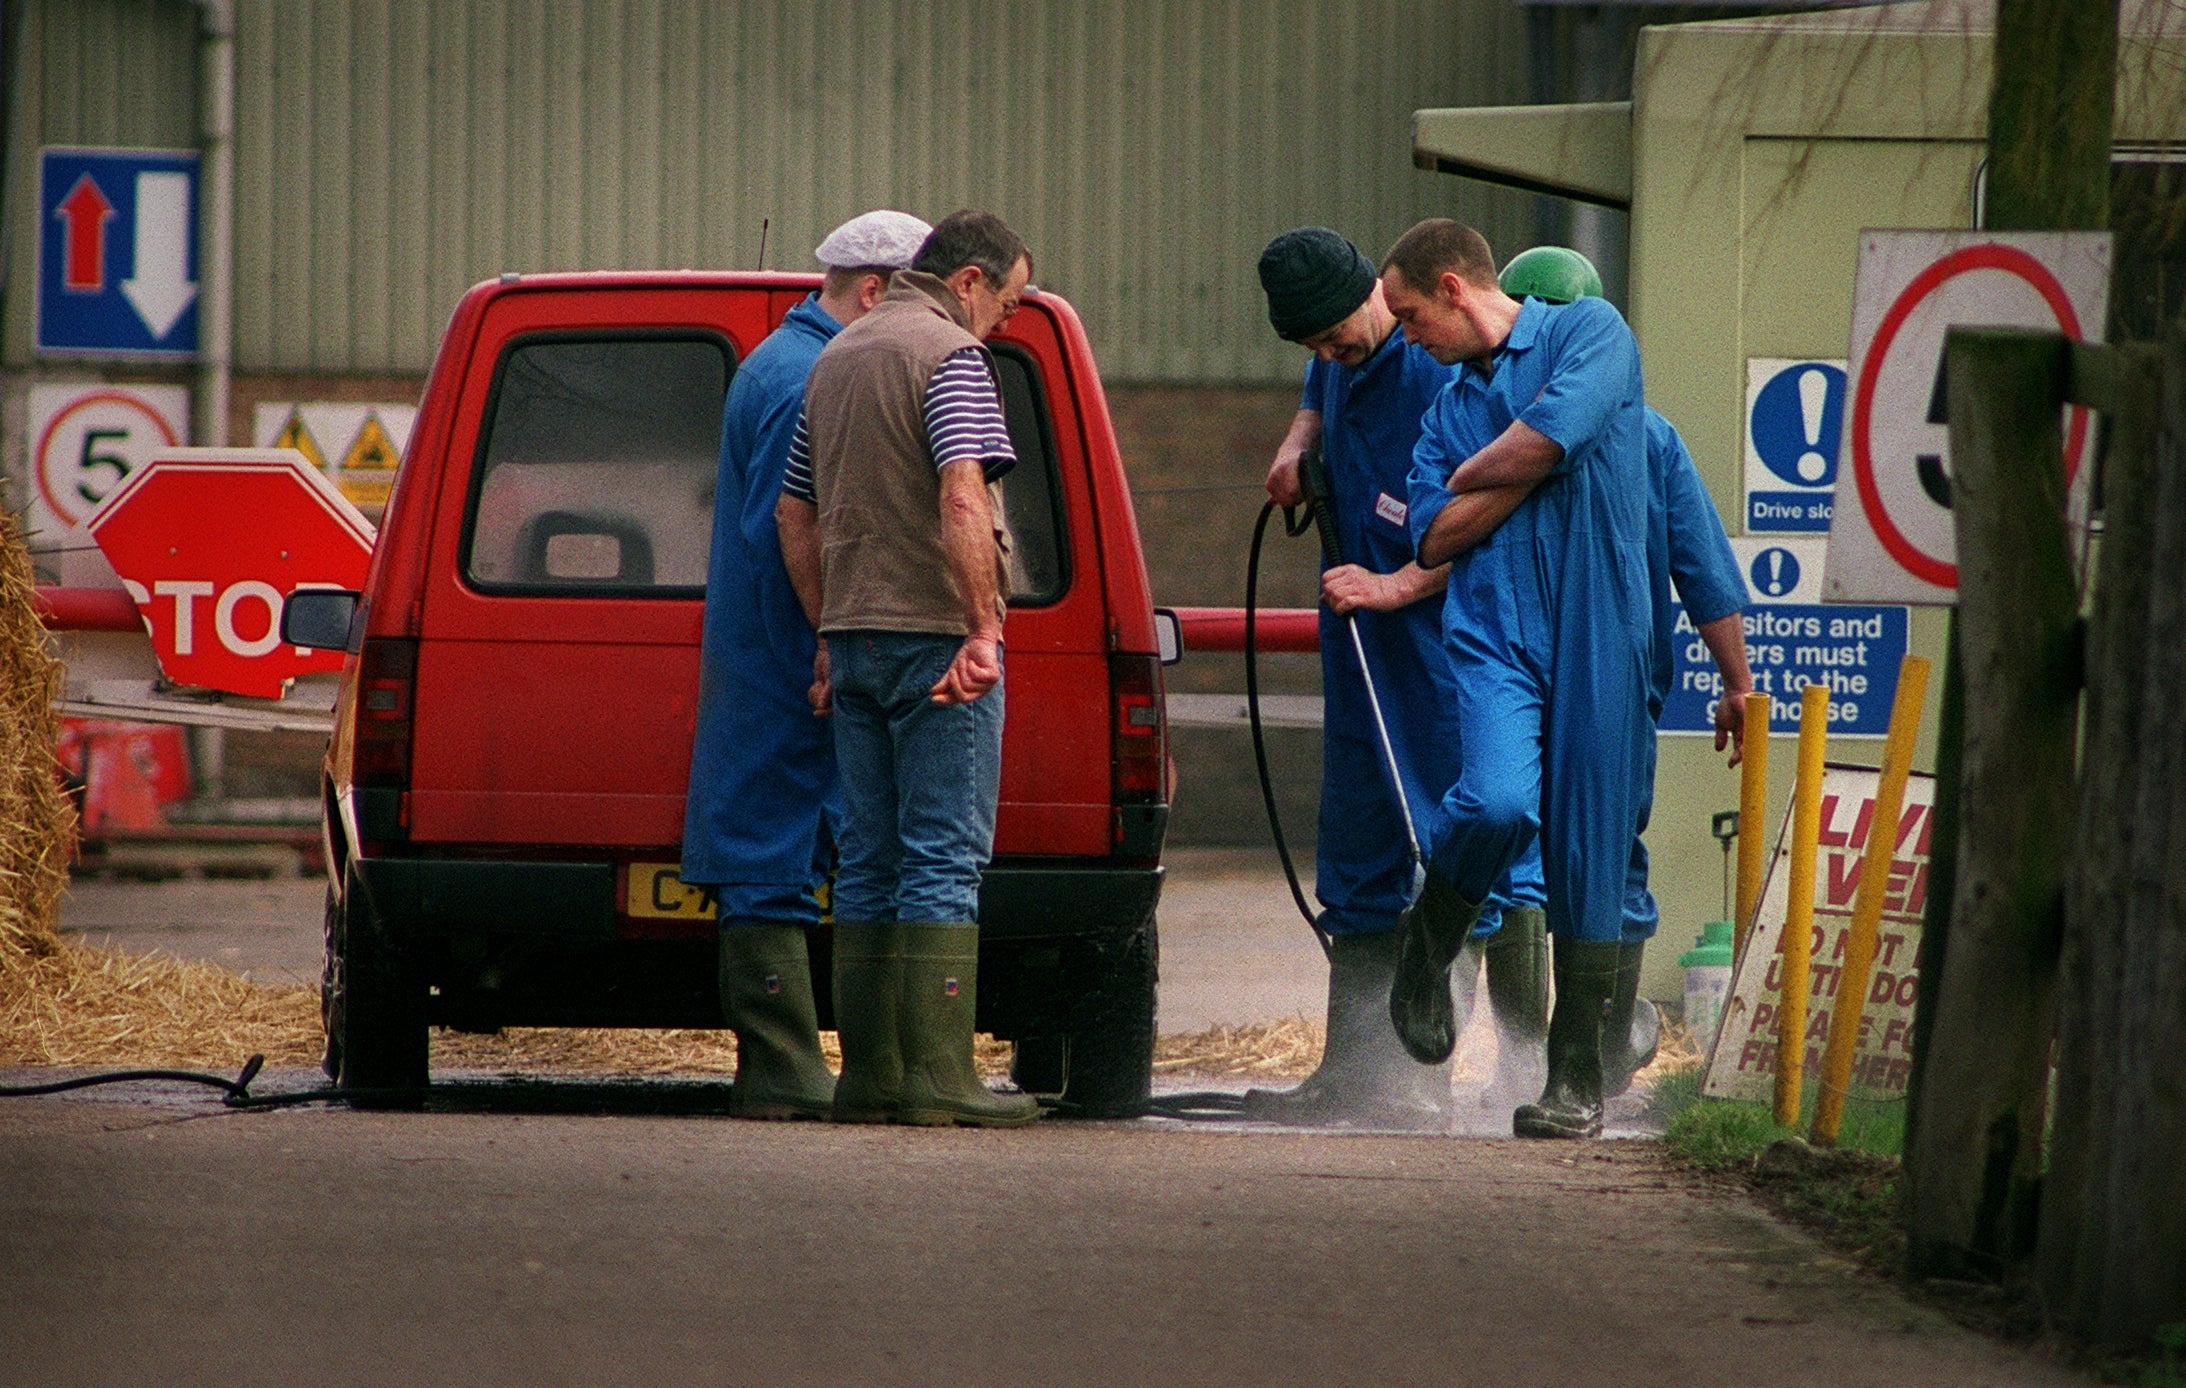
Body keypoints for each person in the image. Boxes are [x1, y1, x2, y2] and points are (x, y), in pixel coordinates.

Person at [1240, 228, 1548, 1130]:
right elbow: (1318, 389)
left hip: (1439, 647)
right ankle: (1357, 1073)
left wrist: (1403, 583)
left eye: (1340, 335)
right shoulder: (1338, 360)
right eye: (1314, 348)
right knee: (1361, 841)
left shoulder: (1435, 373)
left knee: (1447, 840)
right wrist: (1300, 443)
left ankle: (1439, 1075)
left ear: (1378, 293)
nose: (1333, 355)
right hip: (1358, 642)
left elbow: (1492, 518)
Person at [1379, 218, 1654, 1141]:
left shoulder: (1592, 334)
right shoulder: (1443, 406)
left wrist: (1484, 476)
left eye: (1412, 317)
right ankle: (1431, 935)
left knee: (1589, 848)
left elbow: (1547, 441)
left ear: (1455, 287)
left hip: (1599, 629)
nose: (1408, 338)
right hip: (1497, 630)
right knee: (1496, 802)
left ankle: (1572, 1078)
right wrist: (1528, 461)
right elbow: (1430, 536)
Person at [775, 209, 1038, 1128]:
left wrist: (826, 631)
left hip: (852, 641)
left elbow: (792, 515)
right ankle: (940, 1082)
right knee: (944, 857)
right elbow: (963, 492)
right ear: (968, 280)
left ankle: (872, 1078)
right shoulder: (951, 359)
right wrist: (981, 631)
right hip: (935, 640)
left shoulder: (836, 356)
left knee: (871, 860)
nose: (1007, 319)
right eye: (1007, 299)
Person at [681, 209, 932, 1121]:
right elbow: (806, 525)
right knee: (773, 849)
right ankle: (784, 1066)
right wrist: (835, 639)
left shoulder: (781, 362)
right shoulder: (812, 376)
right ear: (873, 294)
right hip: (794, 648)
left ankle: (782, 1065)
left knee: (771, 837)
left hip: (771, 641)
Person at [1495, 247, 1754, 1098]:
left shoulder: (1623, 438)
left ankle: (1582, 1048)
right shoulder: (1638, 435)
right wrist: (1737, 684)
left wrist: (1739, 683)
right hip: (1576, 681)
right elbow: (1706, 575)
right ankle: (1586, 1043)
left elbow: (1702, 569)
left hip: (1568, 674)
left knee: (1561, 850)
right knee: (1586, 851)